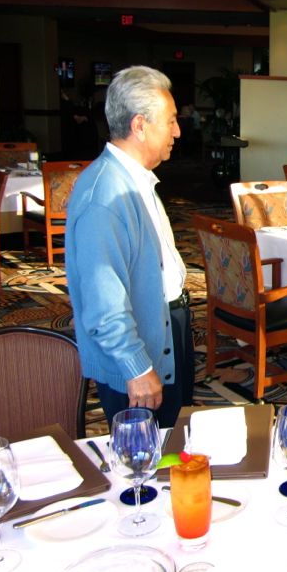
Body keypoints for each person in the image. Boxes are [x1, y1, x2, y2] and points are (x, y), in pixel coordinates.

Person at [66, 65, 194, 429]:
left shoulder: (135, 179)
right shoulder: (105, 194)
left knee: (172, 445)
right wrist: (137, 367)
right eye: (169, 121)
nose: (177, 131)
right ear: (140, 125)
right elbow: (103, 303)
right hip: (137, 353)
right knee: (145, 462)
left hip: (166, 329)